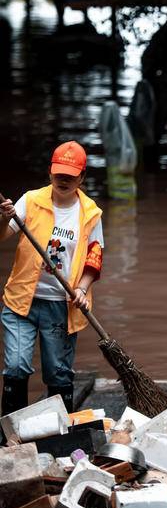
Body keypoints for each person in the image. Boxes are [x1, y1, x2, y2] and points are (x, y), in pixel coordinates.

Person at [0, 141, 104, 417]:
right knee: (16, 366)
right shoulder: (31, 201)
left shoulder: (90, 212)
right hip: (21, 302)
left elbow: (94, 256)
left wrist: (82, 289)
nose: (64, 180)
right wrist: (3, 218)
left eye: (71, 175)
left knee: (58, 372)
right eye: (59, 174)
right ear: (50, 172)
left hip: (61, 305)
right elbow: (2, 234)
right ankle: (10, 433)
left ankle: (62, 432)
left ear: (82, 177)